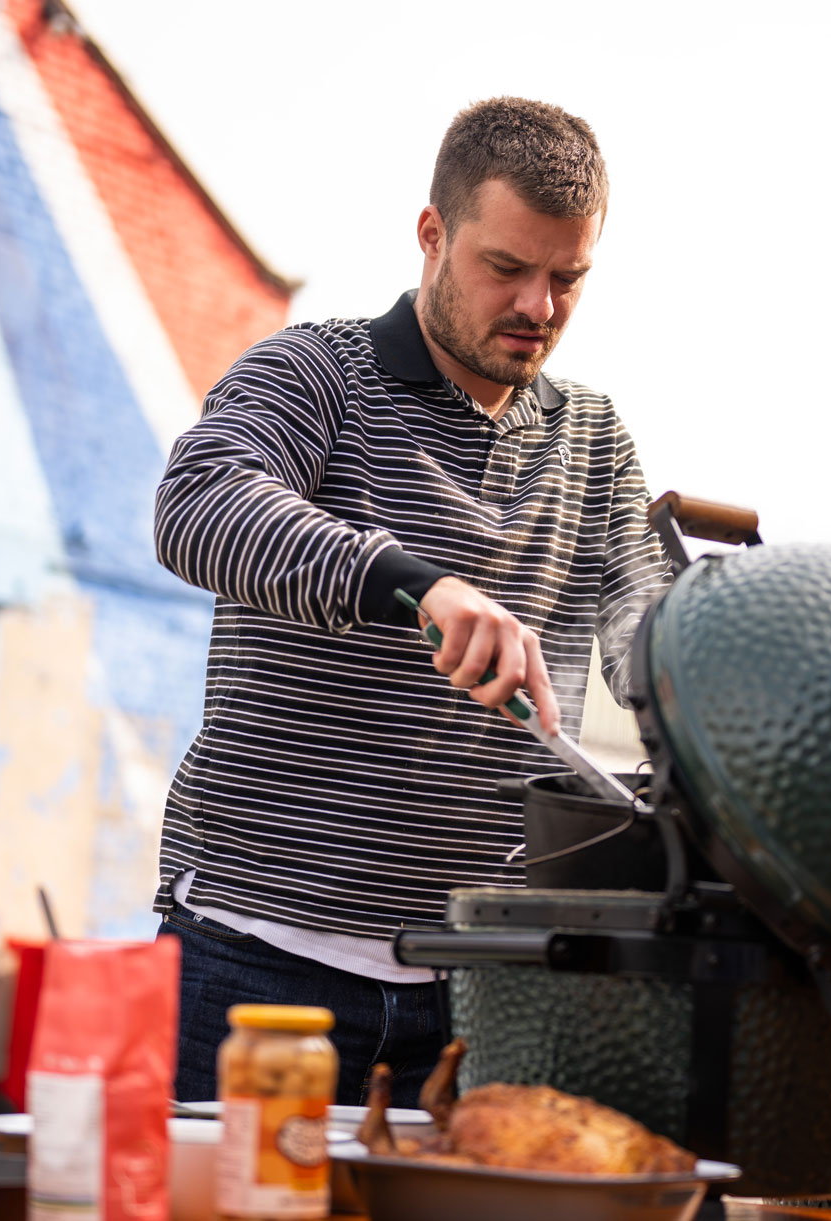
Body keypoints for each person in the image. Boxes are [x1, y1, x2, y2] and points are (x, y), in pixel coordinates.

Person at [150, 97, 671, 1108]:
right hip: (257, 974)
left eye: (567, 278)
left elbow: (646, 638)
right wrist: (417, 586)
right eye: (505, 267)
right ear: (431, 235)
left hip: (488, 999)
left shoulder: (596, 442)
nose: (538, 306)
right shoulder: (316, 375)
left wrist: (721, 660)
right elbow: (199, 501)